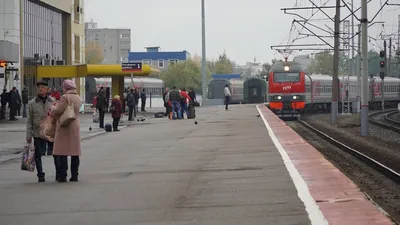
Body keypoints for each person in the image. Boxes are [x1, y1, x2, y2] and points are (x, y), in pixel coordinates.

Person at [51, 80, 82, 182]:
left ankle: (63, 175)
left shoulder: (65, 97)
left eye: (63, 87)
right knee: (74, 152)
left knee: (63, 151)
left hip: (65, 125)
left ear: (66, 88)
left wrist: (53, 107)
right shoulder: (77, 97)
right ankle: (75, 175)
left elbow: (58, 110)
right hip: (75, 125)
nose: (62, 89)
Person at [26, 80, 56, 182]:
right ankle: (40, 174)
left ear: (47, 89)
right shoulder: (32, 103)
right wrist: (28, 134)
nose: (40, 88)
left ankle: (58, 173)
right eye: (39, 87)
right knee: (38, 154)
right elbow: (29, 120)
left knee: (55, 153)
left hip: (50, 132)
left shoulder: (52, 101)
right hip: (37, 132)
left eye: (43, 87)